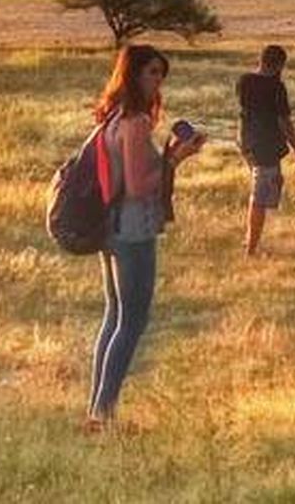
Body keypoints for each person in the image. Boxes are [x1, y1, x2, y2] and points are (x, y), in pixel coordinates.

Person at [86, 44, 205, 432]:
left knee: (115, 316)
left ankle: (98, 410)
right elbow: (138, 185)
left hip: (111, 225)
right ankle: (103, 415)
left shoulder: (115, 117)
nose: (157, 81)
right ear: (134, 74)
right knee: (132, 321)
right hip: (133, 229)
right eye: (152, 73)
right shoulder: (135, 123)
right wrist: (174, 160)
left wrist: (168, 154)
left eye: (161, 75)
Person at [236, 44, 295, 257]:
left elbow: (245, 110)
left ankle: (251, 239)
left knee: (267, 186)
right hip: (266, 145)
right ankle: (251, 247)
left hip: (246, 140)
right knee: (260, 196)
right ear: (280, 65)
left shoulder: (244, 81)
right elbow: (283, 121)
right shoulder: (276, 87)